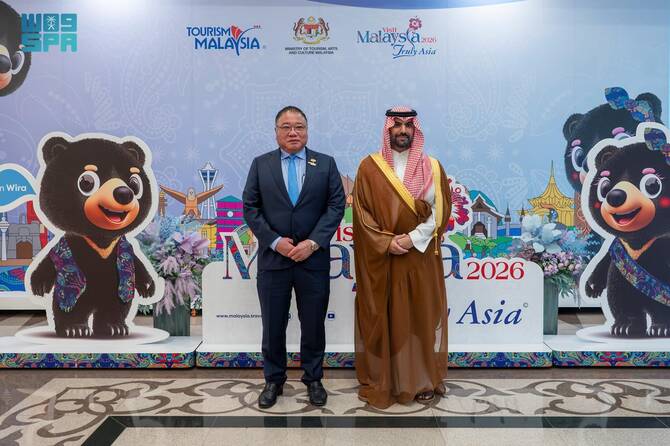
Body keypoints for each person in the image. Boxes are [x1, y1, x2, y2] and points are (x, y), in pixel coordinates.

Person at [243, 106, 345, 409]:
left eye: (299, 126)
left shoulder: (325, 164)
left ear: (307, 131)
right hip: (274, 261)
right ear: (276, 132)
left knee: (313, 324)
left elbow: (336, 206)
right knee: (273, 325)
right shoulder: (261, 164)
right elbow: (250, 208)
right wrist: (276, 242)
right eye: (286, 127)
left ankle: (314, 379)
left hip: (312, 260)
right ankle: (273, 380)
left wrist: (312, 243)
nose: (293, 132)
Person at [352, 106, 452, 408]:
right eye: (397, 125)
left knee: (419, 319)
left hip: (419, 257)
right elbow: (362, 214)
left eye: (409, 125)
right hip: (384, 258)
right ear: (388, 129)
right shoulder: (369, 167)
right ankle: (388, 380)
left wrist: (412, 239)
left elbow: (440, 212)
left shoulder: (433, 167)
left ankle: (421, 379)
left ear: (415, 130)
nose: (403, 130)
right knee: (386, 319)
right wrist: (386, 242)